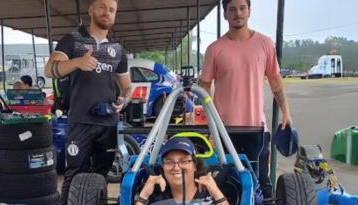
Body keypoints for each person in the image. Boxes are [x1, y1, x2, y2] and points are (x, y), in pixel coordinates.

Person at [200, 0, 293, 201]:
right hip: (224, 130)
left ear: (249, 12)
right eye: (232, 9)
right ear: (225, 14)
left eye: (242, 8)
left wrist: (286, 112)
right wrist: (210, 122)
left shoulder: (265, 44)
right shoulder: (215, 49)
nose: (238, 13)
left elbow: (276, 82)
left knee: (261, 180)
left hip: (256, 129)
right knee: (227, 180)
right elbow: (204, 86)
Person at [43, 0, 132, 204]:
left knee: (101, 175)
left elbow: (127, 87)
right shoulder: (73, 40)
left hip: (108, 122)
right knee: (74, 174)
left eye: (112, 10)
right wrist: (77, 62)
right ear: (91, 10)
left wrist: (124, 100)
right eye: (102, 6)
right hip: (80, 121)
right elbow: (49, 70)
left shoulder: (118, 49)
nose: (107, 13)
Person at [136, 137, 229, 205]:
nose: (176, 167)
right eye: (169, 162)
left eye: (183, 161)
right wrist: (143, 197)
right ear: (163, 168)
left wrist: (217, 194)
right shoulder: (157, 199)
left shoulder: (210, 196)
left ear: (195, 165)